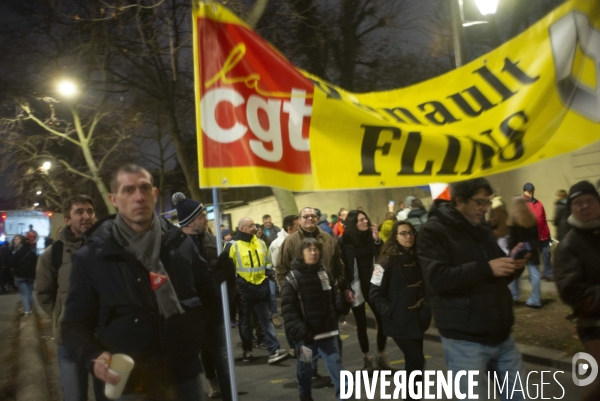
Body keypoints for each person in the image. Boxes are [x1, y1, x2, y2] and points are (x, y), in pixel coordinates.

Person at [61, 164, 233, 400]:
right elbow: (72, 326)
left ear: (154, 194)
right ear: (114, 199)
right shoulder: (92, 256)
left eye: (144, 188)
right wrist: (93, 355)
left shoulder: (180, 245)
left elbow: (210, 308)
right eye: (128, 190)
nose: (138, 197)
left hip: (185, 379)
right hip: (129, 386)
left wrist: (225, 282)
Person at [417, 178, 528, 401]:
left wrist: (513, 265)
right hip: (464, 340)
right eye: (479, 202)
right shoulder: (432, 231)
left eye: (487, 202)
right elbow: (437, 279)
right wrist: (486, 268)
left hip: (501, 334)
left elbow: (495, 274)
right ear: (459, 201)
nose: (485, 209)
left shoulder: (481, 229)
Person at [35, 195, 96, 401]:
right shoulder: (53, 255)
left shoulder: (108, 249)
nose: (86, 216)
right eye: (79, 212)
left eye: (90, 211)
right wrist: (61, 316)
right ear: (67, 220)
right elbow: (43, 293)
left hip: (105, 339)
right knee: (75, 396)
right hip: (69, 341)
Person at [173, 192, 233, 400]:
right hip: (191, 314)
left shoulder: (211, 240)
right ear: (189, 222)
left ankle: (229, 394)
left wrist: (226, 273)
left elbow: (223, 278)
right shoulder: (176, 246)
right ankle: (211, 382)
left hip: (213, 310)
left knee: (221, 357)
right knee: (199, 357)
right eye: (201, 216)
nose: (205, 218)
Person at [276, 207, 346, 378]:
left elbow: (339, 266)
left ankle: (339, 381)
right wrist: (290, 295)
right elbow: (281, 269)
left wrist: (337, 289)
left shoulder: (329, 240)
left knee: (333, 348)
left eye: (312, 216)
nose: (309, 219)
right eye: (305, 216)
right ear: (298, 220)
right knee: (306, 353)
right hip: (303, 308)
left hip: (327, 306)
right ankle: (307, 380)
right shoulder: (290, 242)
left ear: (317, 219)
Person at [370, 220, 431, 400]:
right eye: (403, 233)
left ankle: (412, 396)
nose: (408, 236)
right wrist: (391, 312)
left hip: (417, 319)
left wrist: (426, 309)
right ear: (395, 237)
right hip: (398, 321)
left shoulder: (417, 257)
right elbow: (374, 293)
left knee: (415, 362)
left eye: (411, 232)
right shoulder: (385, 261)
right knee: (416, 360)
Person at [281, 237, 346, 401]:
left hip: (327, 334)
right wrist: (302, 333)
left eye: (316, 249)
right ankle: (304, 395)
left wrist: (340, 305)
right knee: (305, 368)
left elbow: (332, 297)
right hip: (306, 338)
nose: (313, 252)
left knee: (336, 366)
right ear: (301, 253)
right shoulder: (292, 278)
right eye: (309, 249)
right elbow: (288, 310)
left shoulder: (324, 272)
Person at [554, 181, 600, 401]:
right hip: (593, 324)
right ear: (571, 208)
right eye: (577, 203)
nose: (584, 206)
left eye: (589, 201)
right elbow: (570, 292)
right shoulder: (568, 245)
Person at [227, 217, 288, 363]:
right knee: (245, 323)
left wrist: (269, 276)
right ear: (242, 228)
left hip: (261, 287)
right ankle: (247, 351)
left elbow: (267, 263)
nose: (254, 227)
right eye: (251, 225)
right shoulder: (232, 246)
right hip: (243, 290)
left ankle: (274, 350)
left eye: (254, 225)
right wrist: (236, 288)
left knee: (266, 320)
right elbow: (228, 270)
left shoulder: (260, 243)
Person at [339, 210, 388, 371]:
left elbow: (383, 257)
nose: (365, 221)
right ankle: (367, 358)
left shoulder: (371, 238)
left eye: (366, 218)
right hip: (356, 285)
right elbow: (342, 267)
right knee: (361, 324)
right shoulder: (344, 241)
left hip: (374, 285)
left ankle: (381, 356)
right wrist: (346, 288)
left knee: (383, 320)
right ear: (354, 223)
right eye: (361, 220)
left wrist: (377, 241)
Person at [506, 197, 541, 308]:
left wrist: (511, 251)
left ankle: (514, 296)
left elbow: (512, 239)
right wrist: (531, 249)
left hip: (518, 251)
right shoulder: (532, 217)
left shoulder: (512, 220)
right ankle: (535, 300)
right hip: (531, 250)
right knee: (535, 275)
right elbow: (536, 237)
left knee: (514, 275)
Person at [269, 215, 299, 330]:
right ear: (289, 228)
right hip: (289, 286)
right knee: (292, 318)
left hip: (300, 283)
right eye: (297, 225)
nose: (300, 227)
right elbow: (280, 269)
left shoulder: (298, 238)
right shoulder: (278, 244)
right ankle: (293, 346)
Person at [523, 182, 553, 280]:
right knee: (532, 257)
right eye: (529, 191)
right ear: (524, 191)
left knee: (546, 254)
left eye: (532, 190)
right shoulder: (522, 204)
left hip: (543, 235)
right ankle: (534, 276)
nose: (531, 192)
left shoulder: (539, 203)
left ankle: (548, 273)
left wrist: (548, 233)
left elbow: (544, 220)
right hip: (531, 237)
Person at [9, 235, 37, 316]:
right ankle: (30, 309)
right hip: (31, 276)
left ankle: (27, 311)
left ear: (21, 244)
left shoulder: (18, 253)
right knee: (29, 293)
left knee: (24, 294)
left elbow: (11, 264)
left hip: (20, 276)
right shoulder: (33, 253)